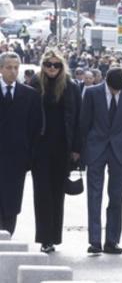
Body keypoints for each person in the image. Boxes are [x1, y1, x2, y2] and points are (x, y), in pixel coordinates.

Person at [80, 67, 122, 254]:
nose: (116, 93)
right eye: (113, 89)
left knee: (116, 197)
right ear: (106, 81)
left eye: (119, 90)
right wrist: (82, 151)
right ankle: (95, 241)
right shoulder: (92, 93)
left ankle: (112, 241)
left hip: (119, 151)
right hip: (96, 148)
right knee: (94, 196)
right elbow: (84, 121)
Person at [30, 50, 81, 253]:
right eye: (48, 64)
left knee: (57, 193)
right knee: (41, 194)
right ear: (42, 65)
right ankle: (44, 239)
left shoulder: (71, 87)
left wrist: (77, 148)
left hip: (63, 148)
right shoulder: (35, 85)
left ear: (62, 66)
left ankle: (54, 237)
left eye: (56, 65)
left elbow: (78, 119)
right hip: (40, 147)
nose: (52, 68)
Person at [0, 52, 43, 236]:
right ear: (1, 69)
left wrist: (29, 157)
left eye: (16, 67)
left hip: (17, 159)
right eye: (9, 67)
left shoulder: (30, 95)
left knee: (12, 201)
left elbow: (35, 128)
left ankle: (8, 237)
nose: (13, 71)